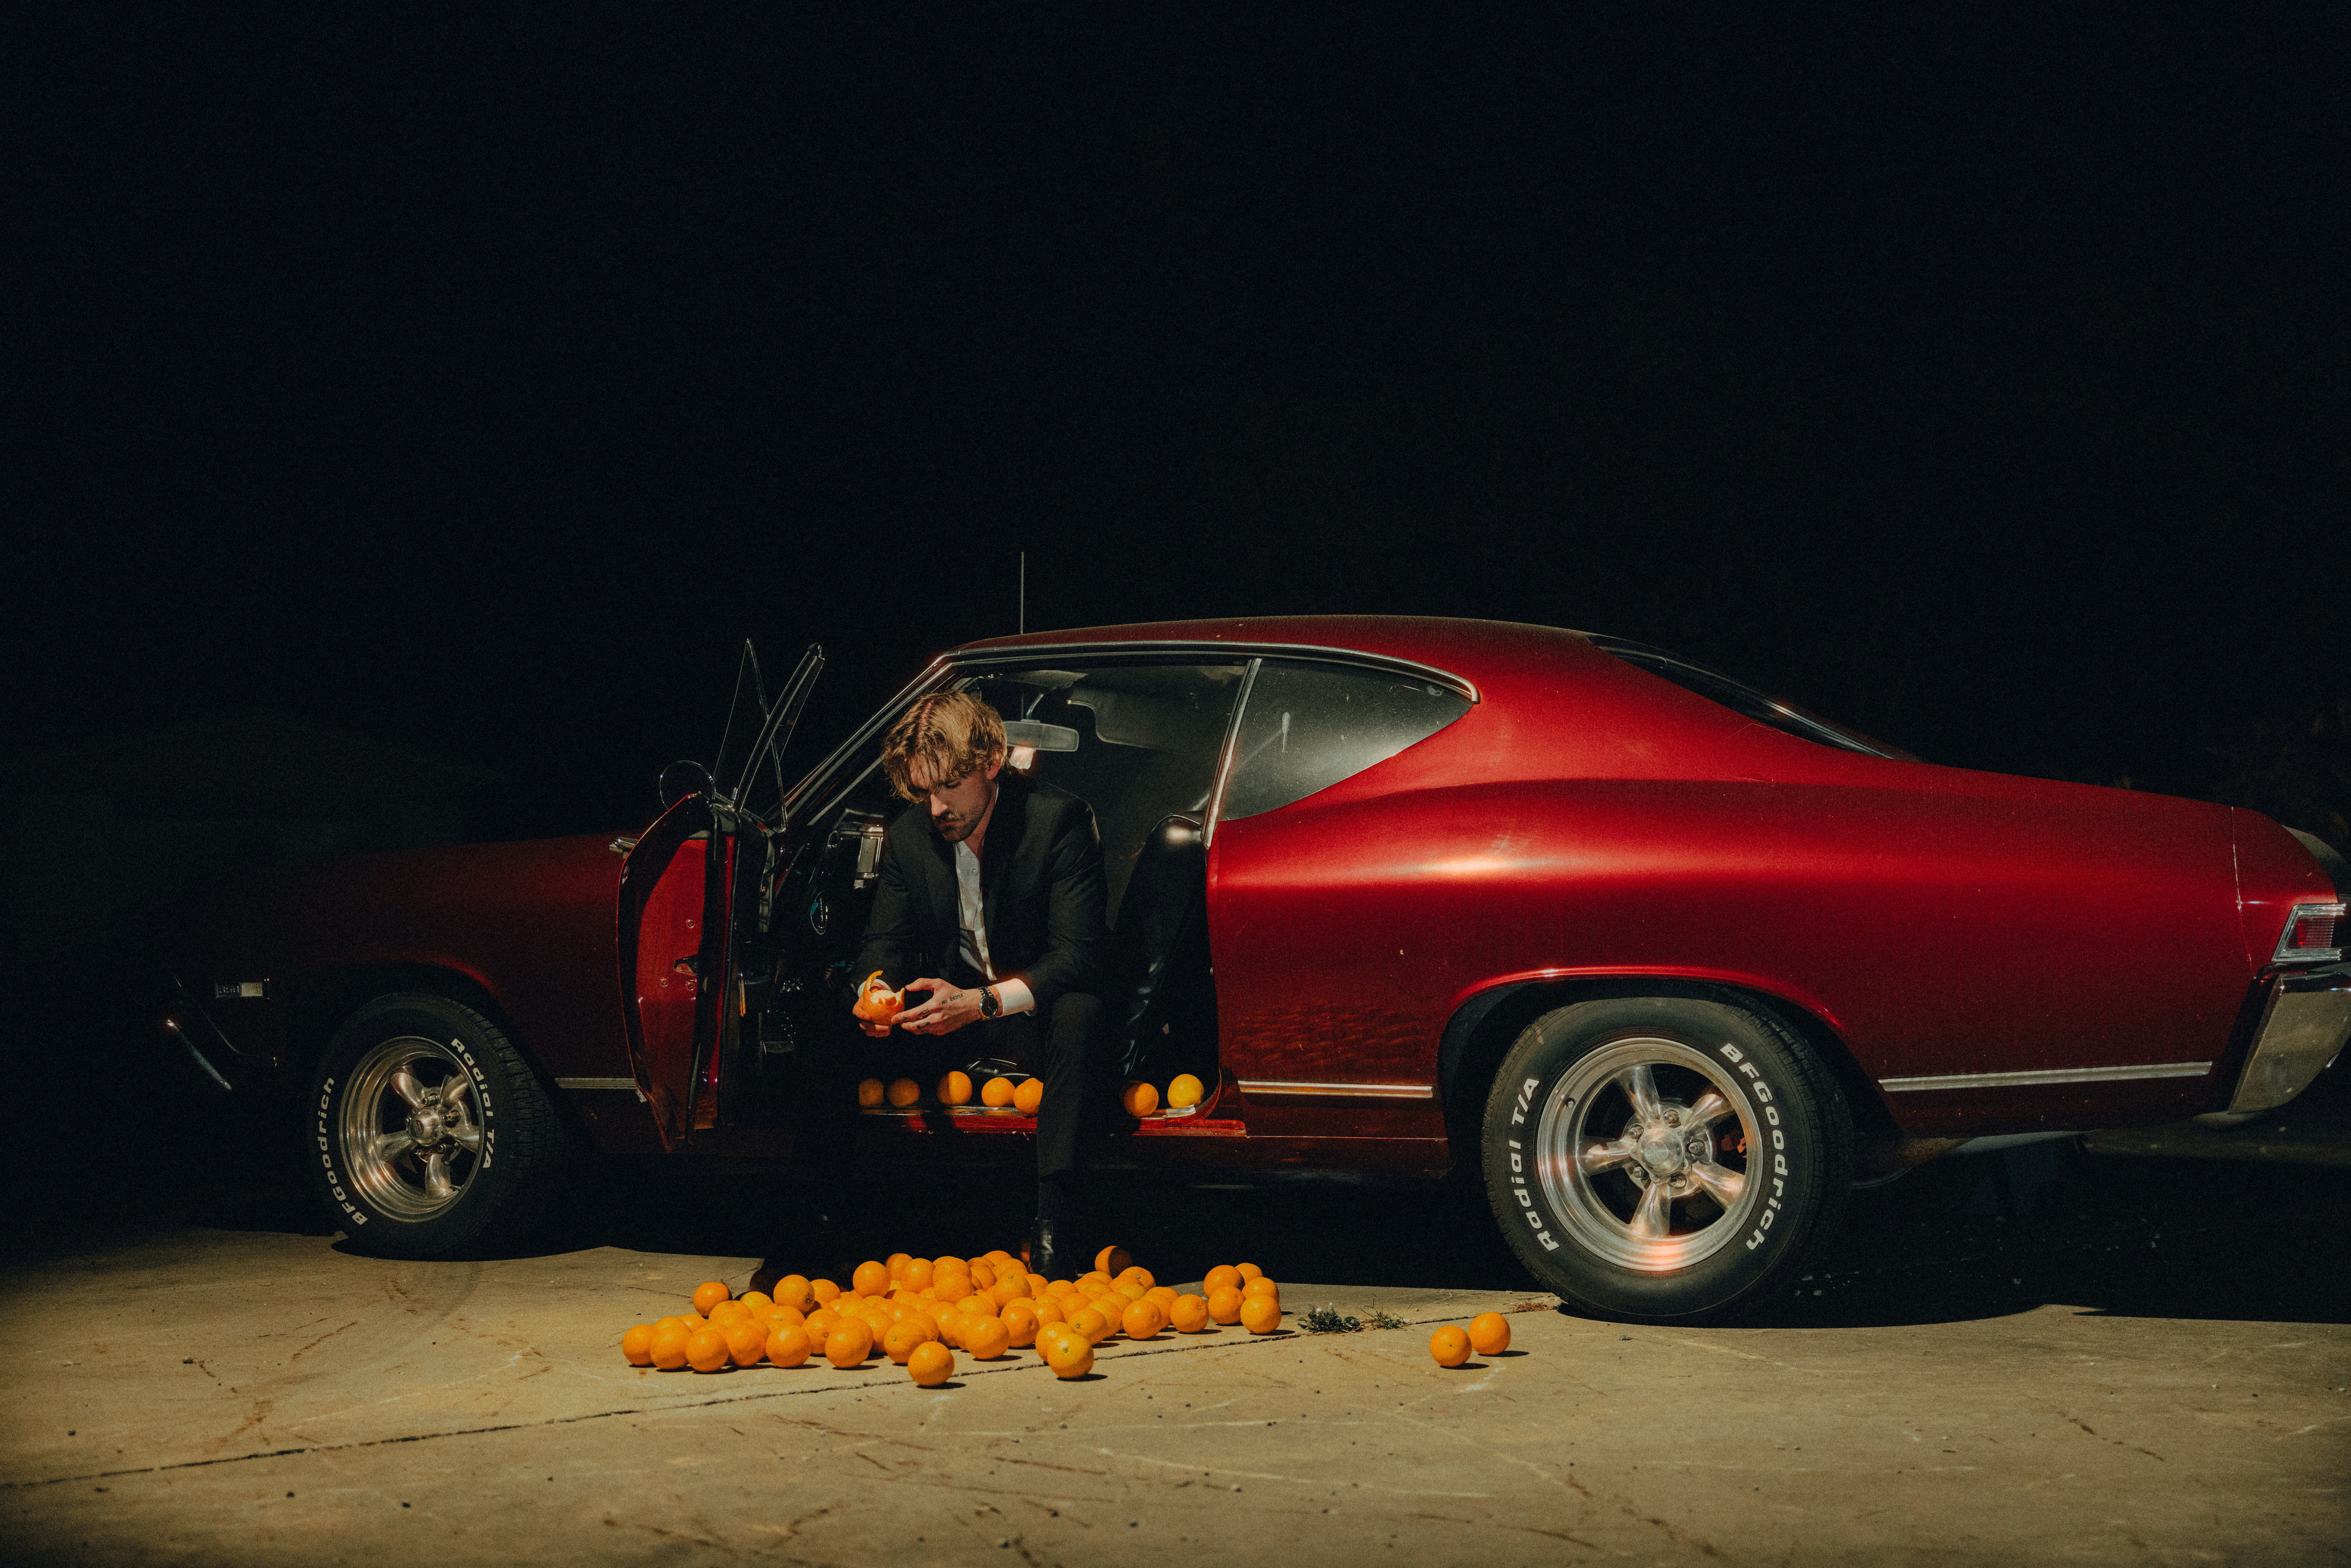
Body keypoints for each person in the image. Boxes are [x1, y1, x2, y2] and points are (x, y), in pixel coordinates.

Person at [758, 690, 1107, 1285]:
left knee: (1080, 1011)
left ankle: (1054, 1225)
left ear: (992, 761)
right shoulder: (911, 835)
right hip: (952, 1011)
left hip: (1030, 1012)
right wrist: (874, 993)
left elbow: (1077, 956)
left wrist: (983, 1002)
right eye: (923, 790)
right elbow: (883, 946)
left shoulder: (1057, 820)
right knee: (827, 1018)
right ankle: (816, 1225)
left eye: (949, 786)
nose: (937, 806)